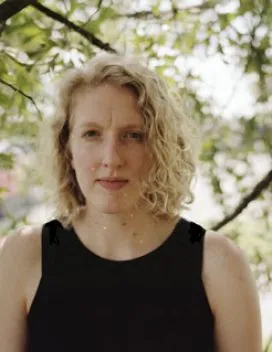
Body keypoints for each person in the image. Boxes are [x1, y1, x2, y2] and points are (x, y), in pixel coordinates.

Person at [0, 53, 262, 352]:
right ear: (67, 147)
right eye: (92, 134)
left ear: (158, 147)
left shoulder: (219, 265)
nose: (111, 158)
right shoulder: (20, 257)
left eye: (133, 135)